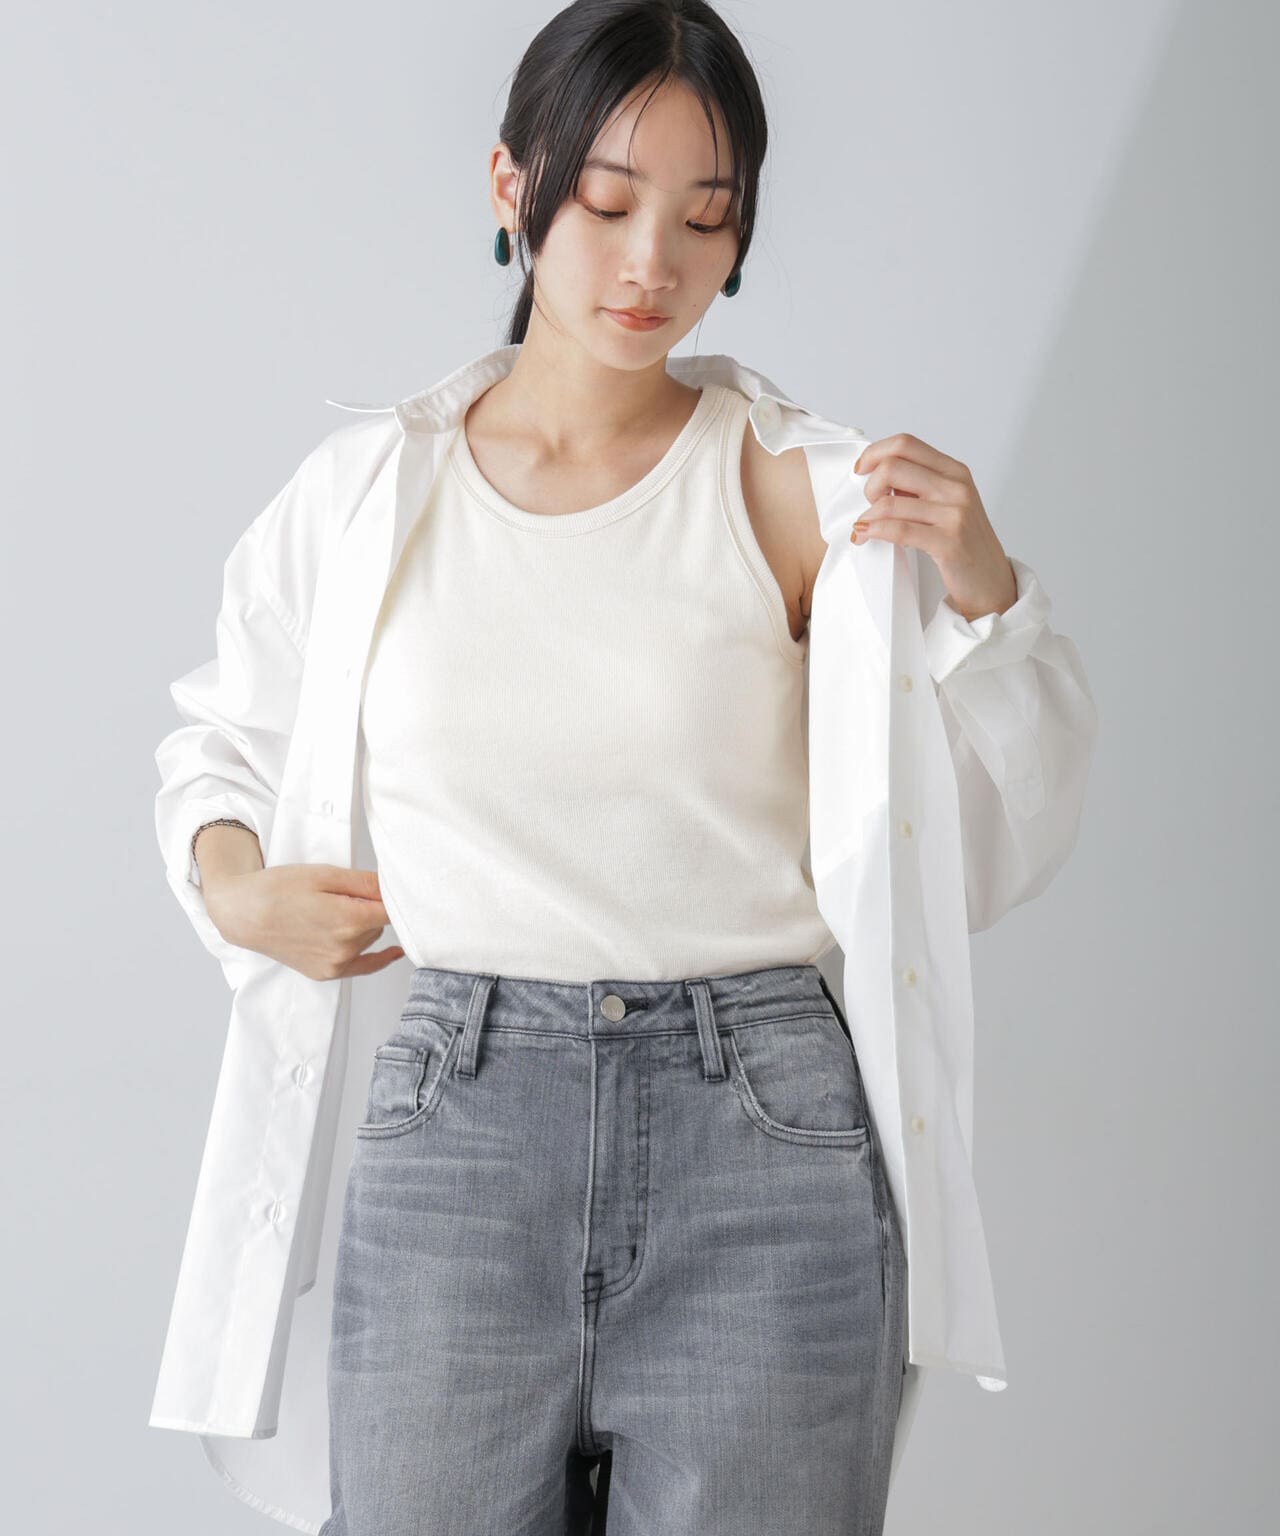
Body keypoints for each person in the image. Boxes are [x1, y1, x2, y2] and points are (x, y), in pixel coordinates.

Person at [154, 3, 1098, 1533]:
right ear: (513, 186)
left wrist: (987, 593)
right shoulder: (368, 493)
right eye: (606, 202)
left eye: (706, 217)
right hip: (459, 1132)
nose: (652, 261)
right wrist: (235, 886)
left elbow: (996, 836)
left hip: (762, 1134)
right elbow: (223, 740)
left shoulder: (802, 494)